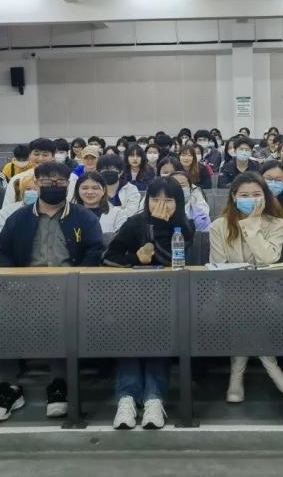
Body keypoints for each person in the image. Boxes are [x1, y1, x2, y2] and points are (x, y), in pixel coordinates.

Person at [0, 162, 105, 423]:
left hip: (69, 287)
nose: (54, 185)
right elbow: (2, 252)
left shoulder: (84, 217)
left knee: (60, 311)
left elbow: (95, 251)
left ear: (67, 184)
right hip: (23, 287)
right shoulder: (18, 218)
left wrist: (77, 280)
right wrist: (14, 280)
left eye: (60, 181)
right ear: (36, 183)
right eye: (47, 181)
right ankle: (8, 386)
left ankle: (59, 382)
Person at [103, 177, 195, 430]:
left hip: (171, 299)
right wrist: (136, 258)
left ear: (179, 202)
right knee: (130, 338)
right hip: (130, 298)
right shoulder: (135, 223)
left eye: (168, 200)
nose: (161, 205)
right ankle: (127, 398)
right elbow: (109, 258)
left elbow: (171, 261)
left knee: (158, 337)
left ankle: (154, 399)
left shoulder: (185, 227)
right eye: (155, 199)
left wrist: (159, 226)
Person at [208, 172, 283, 403]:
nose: (251, 199)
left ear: (265, 197)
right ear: (234, 197)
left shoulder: (277, 225)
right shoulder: (218, 226)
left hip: (269, 292)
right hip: (229, 292)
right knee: (243, 306)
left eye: (256, 194)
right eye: (244, 195)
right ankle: (274, 371)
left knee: (250, 307)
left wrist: (253, 226)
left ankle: (237, 375)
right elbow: (219, 265)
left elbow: (268, 258)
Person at [0, 138, 57, 211]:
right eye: (36, 154)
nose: (40, 158)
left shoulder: (61, 179)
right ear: (29, 155)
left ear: (53, 156)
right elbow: (6, 209)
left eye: (45, 155)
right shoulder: (18, 179)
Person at [97, 154, 142, 219]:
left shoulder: (131, 189)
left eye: (112, 168)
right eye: (104, 169)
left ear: (121, 172)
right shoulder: (94, 189)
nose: (108, 171)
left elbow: (131, 213)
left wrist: (107, 214)